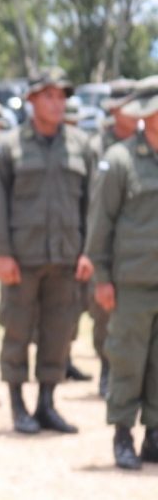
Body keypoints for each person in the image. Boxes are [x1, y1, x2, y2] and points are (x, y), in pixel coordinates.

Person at [0, 67, 94, 435]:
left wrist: (88, 251)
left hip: (66, 257)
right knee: (16, 329)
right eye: (49, 95)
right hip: (23, 257)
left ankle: (47, 403)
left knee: (59, 332)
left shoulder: (81, 145)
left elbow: (90, 206)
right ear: (31, 101)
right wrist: (2, 253)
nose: (57, 102)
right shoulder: (11, 146)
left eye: (62, 96)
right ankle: (18, 405)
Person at [85, 75, 158, 470]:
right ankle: (122, 435)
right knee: (127, 360)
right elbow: (101, 224)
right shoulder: (119, 160)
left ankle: (154, 436)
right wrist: (102, 278)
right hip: (131, 283)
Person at [87, 77, 138, 397]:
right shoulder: (97, 147)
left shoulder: (146, 146)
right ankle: (106, 369)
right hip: (102, 243)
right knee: (103, 312)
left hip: (137, 248)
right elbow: (87, 202)